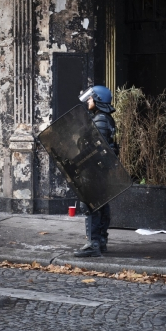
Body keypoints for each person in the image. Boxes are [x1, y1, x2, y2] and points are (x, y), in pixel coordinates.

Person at [74, 85, 117, 258]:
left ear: (98, 100)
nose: (88, 101)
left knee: (91, 206)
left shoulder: (100, 119)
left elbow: (96, 147)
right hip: (101, 170)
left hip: (95, 170)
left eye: (91, 99)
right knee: (100, 205)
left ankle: (93, 244)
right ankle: (101, 242)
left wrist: (77, 161)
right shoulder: (104, 118)